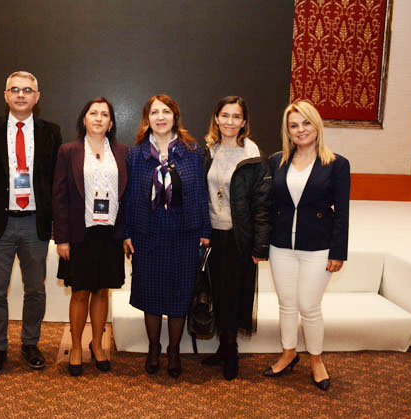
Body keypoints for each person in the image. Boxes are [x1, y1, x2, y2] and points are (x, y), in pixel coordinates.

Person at [0, 71, 62, 378]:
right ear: (6, 95)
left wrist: (56, 222)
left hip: (35, 223)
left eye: (27, 90)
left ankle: (30, 344)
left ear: (37, 97)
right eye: (15, 89)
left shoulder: (51, 132)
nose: (21, 95)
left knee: (35, 289)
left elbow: (56, 180)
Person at [264, 100, 350, 391]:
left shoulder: (336, 164)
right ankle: (288, 353)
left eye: (306, 123)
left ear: (316, 125)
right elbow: (269, 205)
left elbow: (342, 212)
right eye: (293, 125)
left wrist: (338, 252)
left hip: (318, 247)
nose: (300, 129)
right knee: (286, 304)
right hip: (281, 246)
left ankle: (316, 359)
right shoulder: (277, 161)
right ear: (287, 131)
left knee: (309, 306)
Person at [123, 94, 211, 378]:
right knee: (149, 294)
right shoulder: (135, 154)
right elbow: (129, 197)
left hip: (183, 234)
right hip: (147, 234)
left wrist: (205, 230)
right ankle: (153, 348)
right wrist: (127, 233)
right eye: (154, 112)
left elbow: (201, 192)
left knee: (179, 295)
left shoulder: (192, 150)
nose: (160, 117)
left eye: (166, 111)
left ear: (175, 116)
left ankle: (173, 350)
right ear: (147, 118)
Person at [53, 97, 128, 376]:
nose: (98, 118)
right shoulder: (69, 151)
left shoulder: (123, 152)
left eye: (104, 114)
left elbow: (128, 196)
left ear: (111, 123)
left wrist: (127, 233)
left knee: (102, 290)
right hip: (79, 233)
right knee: (80, 291)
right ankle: (75, 346)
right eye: (93, 113)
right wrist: (61, 238)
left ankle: (97, 344)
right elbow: (59, 197)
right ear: (84, 119)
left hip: (110, 233)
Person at [201, 96, 271, 380]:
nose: (230, 122)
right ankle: (222, 347)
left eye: (236, 116)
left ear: (244, 122)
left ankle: (231, 352)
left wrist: (260, 246)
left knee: (233, 294)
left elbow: (263, 205)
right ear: (216, 119)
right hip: (211, 236)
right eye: (225, 116)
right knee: (216, 292)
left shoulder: (254, 157)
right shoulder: (208, 151)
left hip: (239, 237)